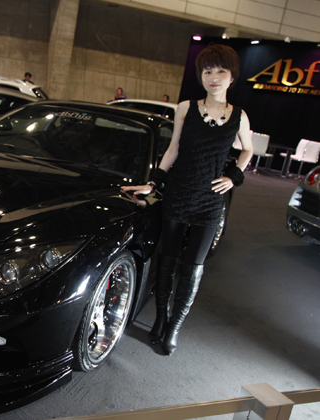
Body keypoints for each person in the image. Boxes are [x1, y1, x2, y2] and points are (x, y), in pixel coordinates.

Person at [121, 44, 253, 356]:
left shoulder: (239, 116)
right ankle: (160, 318)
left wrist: (233, 176)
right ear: (200, 75)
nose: (214, 77)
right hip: (179, 193)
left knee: (193, 267)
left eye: (221, 71)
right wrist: (153, 182)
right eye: (207, 71)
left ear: (232, 76)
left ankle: (174, 327)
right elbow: (174, 149)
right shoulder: (185, 108)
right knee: (167, 260)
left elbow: (248, 149)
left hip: (210, 201)